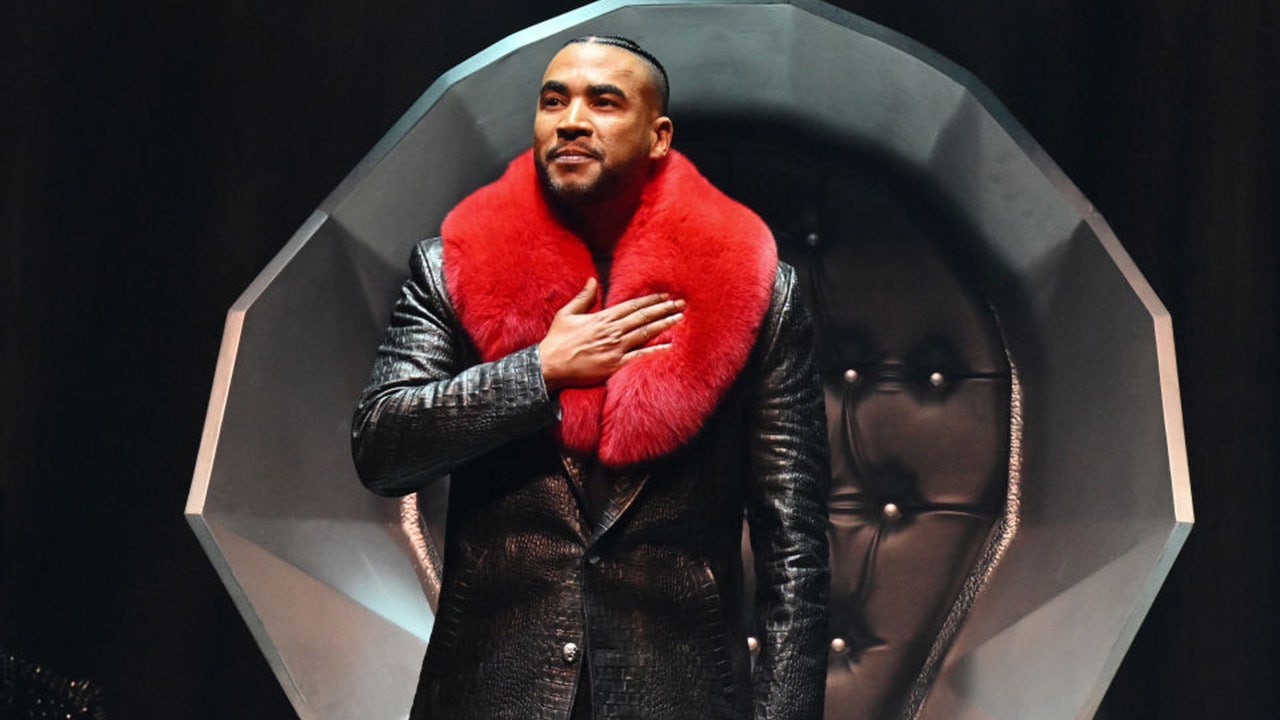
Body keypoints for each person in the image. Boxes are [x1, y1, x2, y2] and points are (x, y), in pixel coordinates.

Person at [352, 35, 829, 720]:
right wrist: (537, 372)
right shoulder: (452, 267)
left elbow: (795, 549)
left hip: (677, 697)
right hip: (490, 694)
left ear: (659, 136)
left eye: (604, 102)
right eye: (554, 101)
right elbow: (381, 446)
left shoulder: (753, 291)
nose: (571, 120)